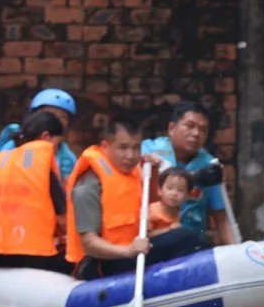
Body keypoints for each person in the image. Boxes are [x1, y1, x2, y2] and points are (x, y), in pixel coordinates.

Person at [66, 118, 210, 280]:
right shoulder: (89, 186)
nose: (131, 155)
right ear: (105, 147)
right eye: (123, 148)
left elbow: (153, 205)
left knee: (194, 238)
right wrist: (128, 251)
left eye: (136, 148)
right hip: (99, 262)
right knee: (184, 238)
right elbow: (89, 245)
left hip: (133, 249)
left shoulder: (134, 172)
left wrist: (154, 171)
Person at [0, 111, 73, 274]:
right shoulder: (42, 164)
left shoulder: (0, 161)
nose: (56, 150)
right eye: (57, 144)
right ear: (46, 137)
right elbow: (64, 220)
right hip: (37, 257)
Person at [141, 102, 234, 245]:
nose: (196, 134)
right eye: (190, 126)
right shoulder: (148, 151)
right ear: (172, 128)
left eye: (203, 130)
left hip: (192, 248)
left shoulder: (209, 165)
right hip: (152, 243)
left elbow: (221, 216)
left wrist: (235, 250)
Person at [0, 88, 79, 180]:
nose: (55, 120)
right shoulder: (14, 144)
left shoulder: (67, 158)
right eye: (49, 114)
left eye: (62, 117)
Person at [148, 168, 191, 237]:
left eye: (180, 190)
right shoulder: (152, 210)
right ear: (159, 190)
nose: (174, 193)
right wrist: (169, 230)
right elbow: (146, 236)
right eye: (169, 188)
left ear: (187, 196)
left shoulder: (183, 213)